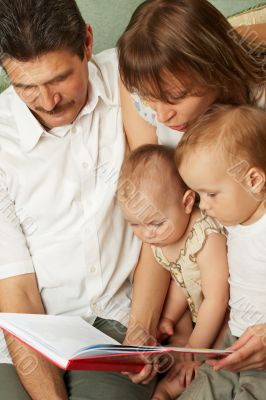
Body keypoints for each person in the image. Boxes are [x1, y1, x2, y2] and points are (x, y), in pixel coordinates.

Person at [0, 1, 169, 399]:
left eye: (61, 78)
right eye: (25, 86)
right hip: (26, 332)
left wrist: (140, 333)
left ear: (88, 43)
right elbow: (16, 292)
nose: (47, 101)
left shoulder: (128, 79)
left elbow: (160, 222)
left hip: (114, 324)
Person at [117, 144, 229, 399]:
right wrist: (168, 317)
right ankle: (167, 387)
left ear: (188, 202)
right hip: (196, 311)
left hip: (224, 314)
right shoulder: (164, 237)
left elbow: (217, 298)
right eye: (134, 224)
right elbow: (182, 279)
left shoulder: (205, 235)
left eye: (155, 222)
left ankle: (190, 374)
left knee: (205, 357)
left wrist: (195, 350)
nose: (147, 233)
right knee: (172, 347)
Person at [175, 104, 266, 399]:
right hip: (232, 340)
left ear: (253, 180)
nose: (204, 205)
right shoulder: (232, 221)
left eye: (211, 194)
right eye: (199, 195)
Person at [117, 0, 266, 150]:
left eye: (175, 96)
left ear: (217, 68)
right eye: (147, 95)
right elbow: (146, 165)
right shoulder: (140, 91)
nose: (162, 117)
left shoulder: (257, 96)